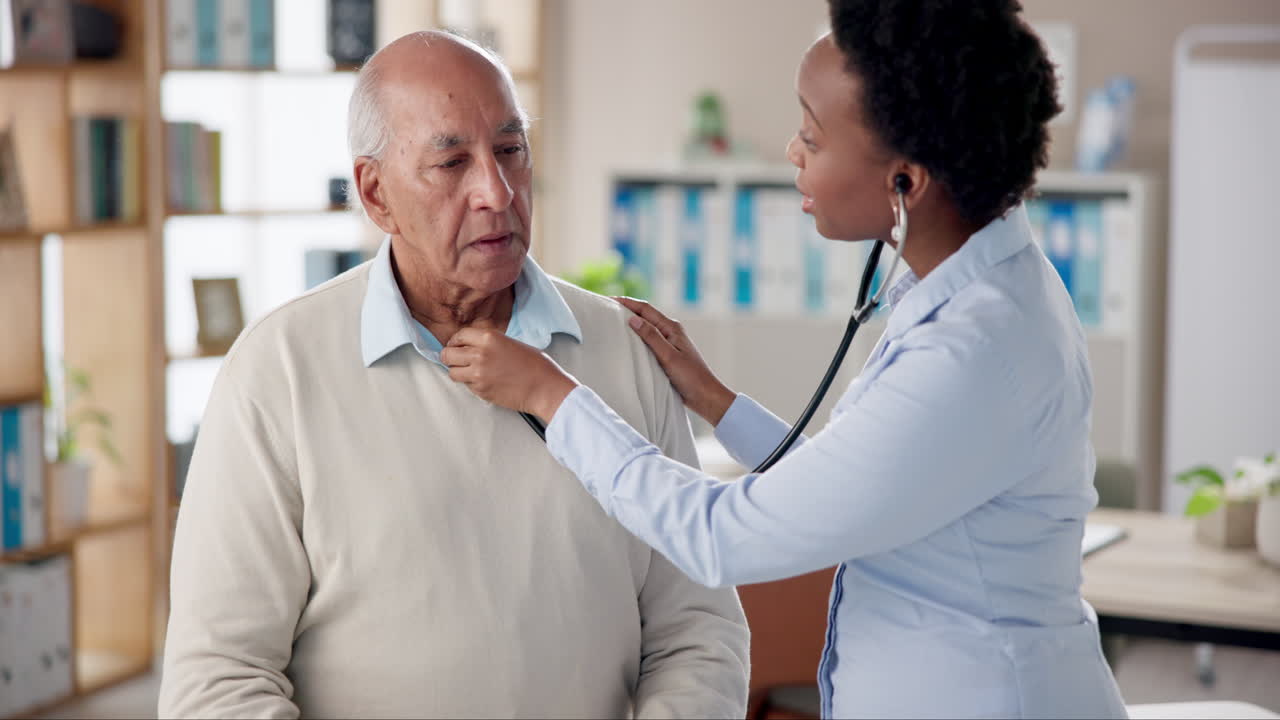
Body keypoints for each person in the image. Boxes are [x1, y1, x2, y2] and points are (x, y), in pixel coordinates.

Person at [441, 1, 1130, 717]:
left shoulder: (972, 353)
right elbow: (857, 484)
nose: (792, 152)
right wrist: (717, 402)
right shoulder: (989, 283)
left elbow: (722, 536)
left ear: (906, 181)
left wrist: (552, 397)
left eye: (812, 135)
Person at [159, 31, 749, 719]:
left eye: (511, 150)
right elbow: (218, 679)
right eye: (451, 162)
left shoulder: (626, 351)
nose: (496, 192)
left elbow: (698, 631)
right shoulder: (277, 370)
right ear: (376, 194)